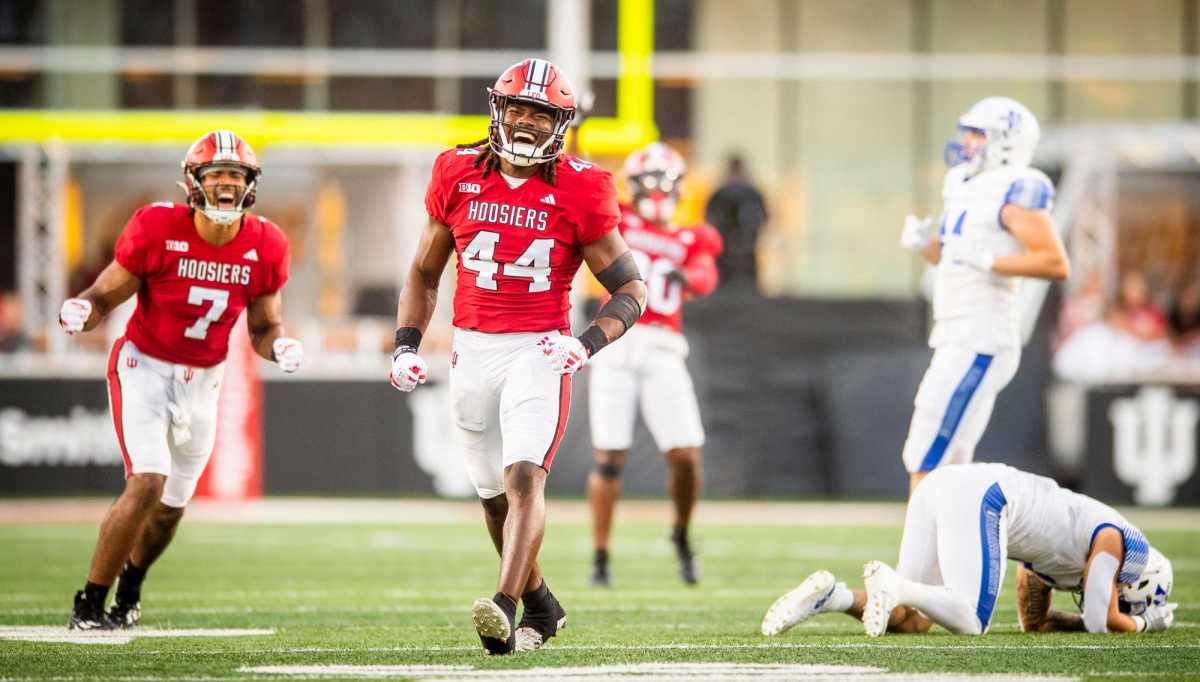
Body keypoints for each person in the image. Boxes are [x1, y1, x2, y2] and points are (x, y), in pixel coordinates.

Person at [388, 58, 646, 655]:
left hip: (539, 348)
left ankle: (502, 606)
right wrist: (405, 342)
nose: (527, 122)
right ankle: (541, 604)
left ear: (563, 123)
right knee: (492, 498)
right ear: (497, 111)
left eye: (542, 113)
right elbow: (425, 271)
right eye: (519, 109)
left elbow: (631, 289)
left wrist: (585, 343)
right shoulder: (456, 170)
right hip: (470, 347)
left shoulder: (583, 185)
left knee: (524, 475)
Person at [59, 130, 302, 630]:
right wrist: (85, 308)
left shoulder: (267, 243)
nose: (227, 184)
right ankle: (89, 602)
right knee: (147, 481)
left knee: (171, 507)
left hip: (206, 381)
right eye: (217, 174)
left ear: (250, 184)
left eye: (236, 174)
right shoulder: (157, 227)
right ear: (195, 183)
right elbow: (105, 296)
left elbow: (262, 327)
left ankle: (129, 589)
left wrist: (278, 346)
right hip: (143, 367)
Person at [761, 462, 1177, 638]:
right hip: (983, 496)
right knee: (971, 619)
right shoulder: (1116, 538)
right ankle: (895, 585)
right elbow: (1098, 620)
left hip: (946, 487)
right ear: (1138, 579)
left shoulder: (1075, 539)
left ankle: (832, 595)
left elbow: (1035, 621)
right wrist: (1145, 625)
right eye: (1128, 600)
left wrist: (1083, 619)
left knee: (911, 622)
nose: (1120, 601)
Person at [898, 97, 1070, 493]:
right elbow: (956, 257)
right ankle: (956, 551)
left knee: (927, 445)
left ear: (1007, 143)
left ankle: (919, 557)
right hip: (956, 329)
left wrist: (990, 260)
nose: (968, 142)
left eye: (978, 134)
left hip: (982, 333)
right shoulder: (964, 185)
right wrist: (926, 244)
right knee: (952, 458)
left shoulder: (1015, 189)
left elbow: (1054, 263)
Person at [587, 142, 722, 587]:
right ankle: (601, 556)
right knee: (609, 457)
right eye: (650, 182)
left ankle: (681, 535)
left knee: (684, 453)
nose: (657, 192)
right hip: (616, 339)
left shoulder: (690, 237)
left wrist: (690, 277)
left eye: (665, 184)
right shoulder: (619, 218)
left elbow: (705, 274)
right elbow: (584, 186)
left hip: (664, 345)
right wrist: (579, 135)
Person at [703, 154, 766, 288]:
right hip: (729, 253)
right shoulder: (750, 193)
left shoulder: (723, 193)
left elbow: (710, 217)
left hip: (740, 251)